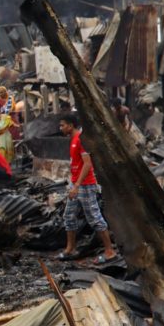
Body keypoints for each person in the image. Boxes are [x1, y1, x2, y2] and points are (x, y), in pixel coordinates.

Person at [58, 113, 117, 263]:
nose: (61, 128)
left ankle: (110, 251)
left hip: (85, 185)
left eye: (62, 125)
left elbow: (88, 164)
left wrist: (77, 185)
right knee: (69, 216)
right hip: (75, 184)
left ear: (71, 126)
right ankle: (70, 249)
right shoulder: (72, 140)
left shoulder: (81, 140)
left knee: (94, 218)